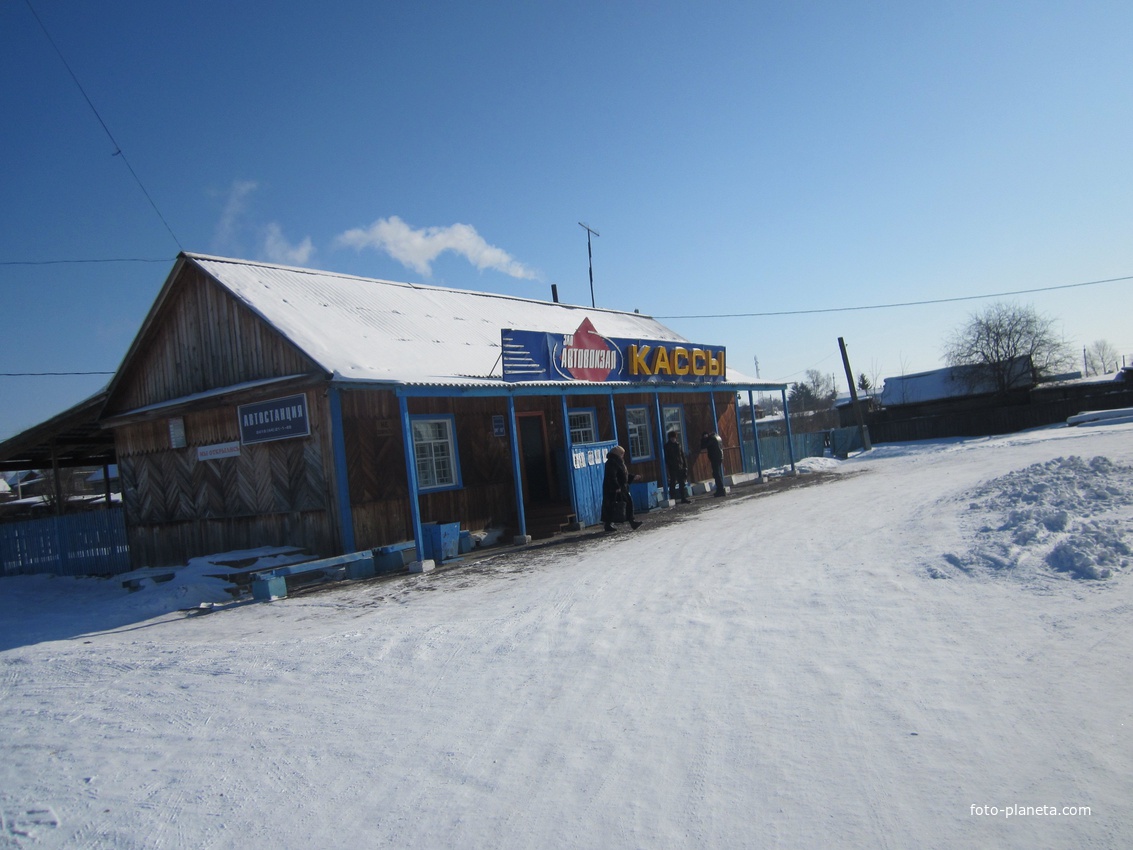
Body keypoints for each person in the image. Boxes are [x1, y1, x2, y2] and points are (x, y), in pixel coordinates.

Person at [601, 445, 642, 532]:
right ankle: (608, 524)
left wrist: (633, 477)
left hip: (621, 487)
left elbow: (623, 474)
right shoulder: (612, 462)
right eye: (622, 453)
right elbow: (611, 476)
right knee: (612, 506)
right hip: (614, 489)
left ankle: (632, 521)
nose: (623, 455)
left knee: (627, 503)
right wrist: (616, 487)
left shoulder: (618, 461)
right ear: (618, 454)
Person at [663, 431, 691, 504]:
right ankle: (673, 498)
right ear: (670, 438)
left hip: (680, 466)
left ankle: (683, 498)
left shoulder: (678, 445)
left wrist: (685, 465)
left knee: (682, 483)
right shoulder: (667, 446)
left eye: (674, 437)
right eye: (672, 437)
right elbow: (666, 457)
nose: (673, 439)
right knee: (673, 483)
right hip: (672, 467)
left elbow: (682, 455)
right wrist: (669, 465)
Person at [700, 430, 727, 497]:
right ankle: (720, 489)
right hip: (719, 457)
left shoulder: (711, 439)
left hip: (715, 457)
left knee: (716, 474)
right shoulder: (717, 437)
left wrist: (703, 440)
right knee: (717, 473)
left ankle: (720, 490)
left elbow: (703, 446)